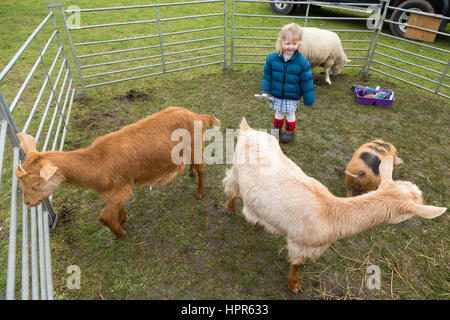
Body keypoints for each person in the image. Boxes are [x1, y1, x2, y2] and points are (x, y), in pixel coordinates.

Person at [261, 23, 315, 143]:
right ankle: (276, 129)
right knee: (279, 112)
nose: (291, 47)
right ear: (281, 42)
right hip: (277, 93)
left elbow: (307, 81)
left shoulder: (302, 62)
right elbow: (267, 76)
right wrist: (265, 90)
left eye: (294, 44)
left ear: (299, 43)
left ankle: (290, 131)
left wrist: (309, 99)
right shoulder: (272, 59)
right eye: (288, 44)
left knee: (290, 113)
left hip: (292, 95)